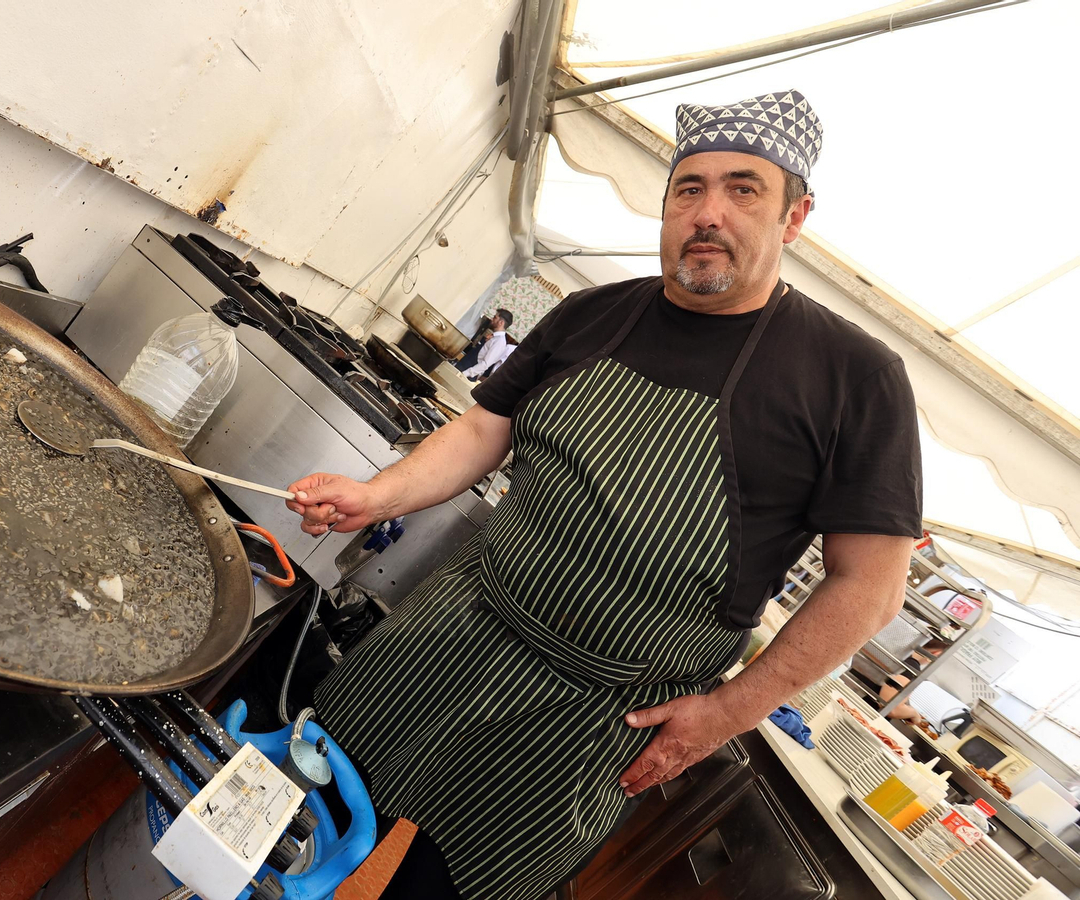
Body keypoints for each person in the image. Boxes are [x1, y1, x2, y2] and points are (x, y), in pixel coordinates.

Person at [285, 90, 922, 900]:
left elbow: (870, 586)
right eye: (688, 188)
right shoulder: (593, 313)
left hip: (589, 713)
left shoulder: (856, 379)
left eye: (743, 189)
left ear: (793, 217)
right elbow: (486, 430)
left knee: (441, 888)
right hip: (455, 630)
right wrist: (377, 496)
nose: (708, 212)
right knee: (293, 815)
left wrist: (729, 711)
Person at [461, 309, 516, 380]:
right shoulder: (493, 336)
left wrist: (465, 373)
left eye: (495, 317)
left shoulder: (500, 342)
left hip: (469, 372)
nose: (492, 319)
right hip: (466, 362)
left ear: (501, 322)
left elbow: (485, 364)